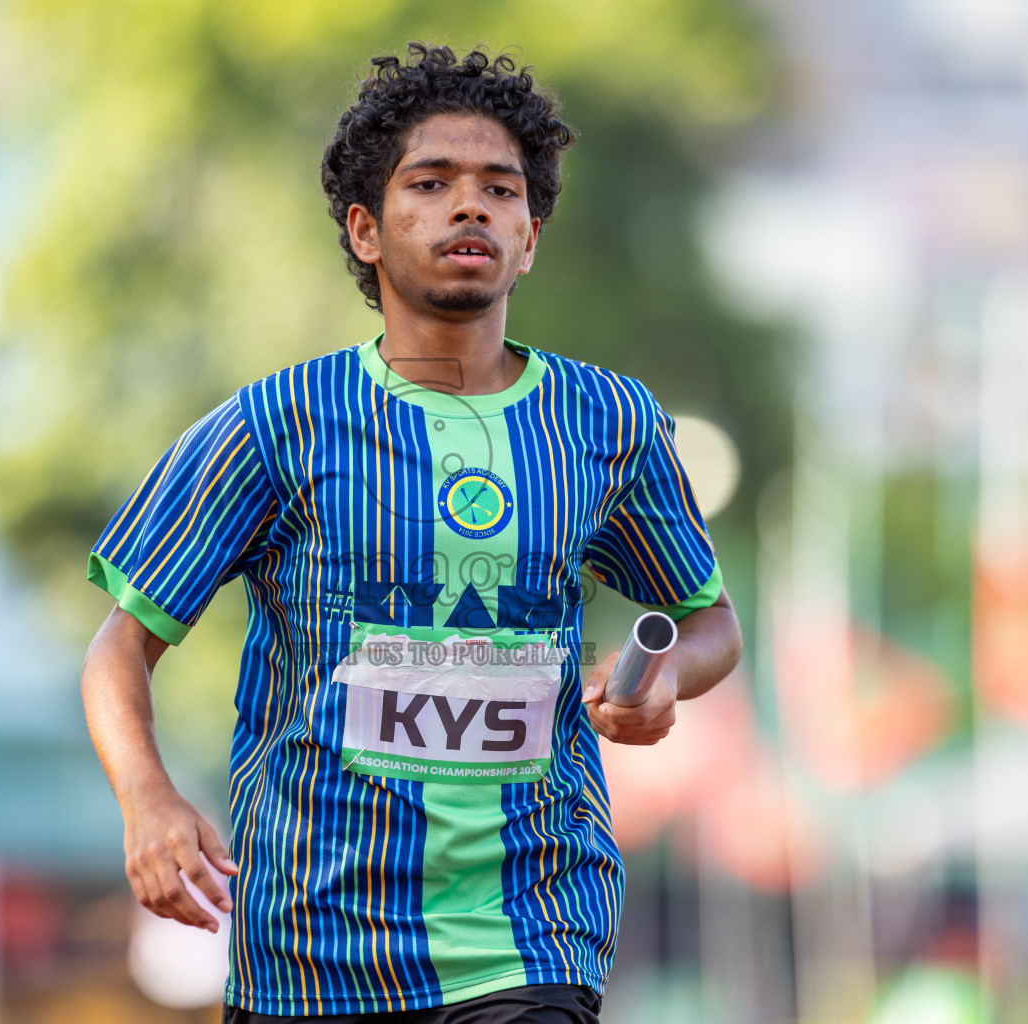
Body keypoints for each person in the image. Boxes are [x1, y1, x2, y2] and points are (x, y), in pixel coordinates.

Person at [80, 43, 743, 1023]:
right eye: (430, 184)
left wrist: (666, 679)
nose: (469, 206)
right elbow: (120, 642)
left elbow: (710, 618)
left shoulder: (611, 421)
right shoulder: (278, 422)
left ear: (530, 236)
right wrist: (148, 799)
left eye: (500, 189)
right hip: (311, 946)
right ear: (365, 230)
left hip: (533, 924)